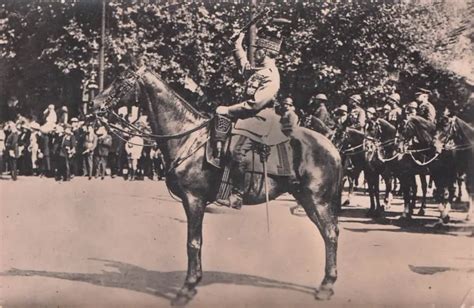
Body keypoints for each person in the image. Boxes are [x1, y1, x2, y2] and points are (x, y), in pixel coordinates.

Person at [215, 28, 282, 209]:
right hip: (249, 118)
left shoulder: (271, 75)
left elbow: (255, 104)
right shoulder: (260, 71)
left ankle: (237, 194)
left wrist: (228, 110)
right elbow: (244, 66)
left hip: (261, 118)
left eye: (258, 49)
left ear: (265, 52)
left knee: (235, 150)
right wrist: (238, 43)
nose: (255, 52)